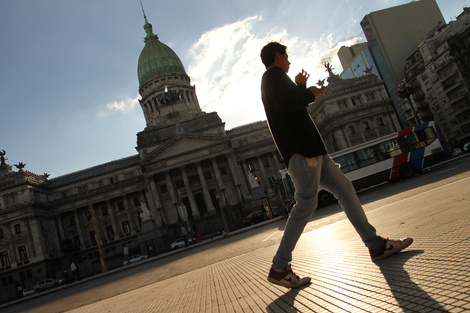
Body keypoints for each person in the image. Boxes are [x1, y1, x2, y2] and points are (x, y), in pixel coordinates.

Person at [260, 42, 413, 289]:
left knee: (345, 190)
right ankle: (279, 266)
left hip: (314, 152)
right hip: (304, 153)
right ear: (278, 56)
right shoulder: (272, 77)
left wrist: (300, 88)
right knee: (306, 205)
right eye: (286, 56)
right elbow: (289, 104)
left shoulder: (277, 79)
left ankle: (376, 245)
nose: (289, 60)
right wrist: (308, 92)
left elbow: (291, 106)